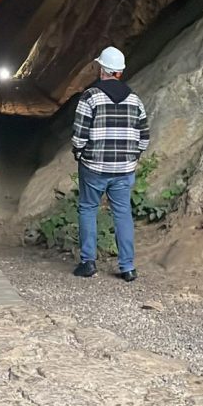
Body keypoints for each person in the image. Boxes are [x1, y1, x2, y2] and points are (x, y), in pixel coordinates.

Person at [70, 46, 149, 282]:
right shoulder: (135, 100)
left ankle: (88, 263)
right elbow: (144, 138)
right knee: (123, 213)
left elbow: (79, 135)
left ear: (101, 69)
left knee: (88, 208)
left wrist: (79, 153)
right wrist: (132, 158)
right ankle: (127, 267)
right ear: (120, 73)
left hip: (94, 167)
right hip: (124, 169)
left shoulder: (90, 97)